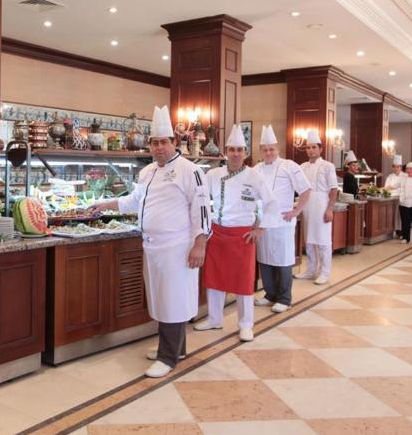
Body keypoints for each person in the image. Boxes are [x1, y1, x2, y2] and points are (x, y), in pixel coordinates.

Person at [92, 105, 210, 378]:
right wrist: (105, 204)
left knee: (173, 299)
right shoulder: (147, 172)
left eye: (163, 142)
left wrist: (200, 244)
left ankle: (168, 358)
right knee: (160, 298)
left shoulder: (190, 170)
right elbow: (135, 200)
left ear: (174, 142)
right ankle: (176, 348)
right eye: (154, 143)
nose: (159, 148)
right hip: (151, 245)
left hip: (177, 246)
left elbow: (202, 209)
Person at [195, 124, 275, 342]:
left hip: (242, 235)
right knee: (214, 278)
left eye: (240, 150)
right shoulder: (213, 174)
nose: (236, 154)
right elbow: (200, 198)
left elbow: (271, 203)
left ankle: (246, 325)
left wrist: (261, 228)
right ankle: (214, 319)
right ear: (225, 152)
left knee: (243, 282)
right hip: (217, 232)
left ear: (245, 153)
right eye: (232, 150)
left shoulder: (254, 176)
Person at [253, 125, 311, 313]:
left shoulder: (289, 166)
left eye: (271, 149)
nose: (268, 153)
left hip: (282, 222)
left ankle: (285, 299)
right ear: (261, 151)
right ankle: (270, 294)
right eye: (265, 150)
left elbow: (306, 190)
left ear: (277, 149)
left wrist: (296, 211)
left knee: (283, 260)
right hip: (263, 223)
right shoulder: (256, 169)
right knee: (265, 259)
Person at [296, 129, 339, 285]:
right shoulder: (302, 166)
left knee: (322, 240)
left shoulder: (328, 166)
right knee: (309, 240)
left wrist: (330, 209)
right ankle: (310, 270)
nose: (310, 150)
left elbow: (333, 189)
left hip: (321, 205)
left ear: (320, 149)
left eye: (314, 147)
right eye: (308, 147)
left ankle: (324, 272)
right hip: (307, 205)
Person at [385, 155, 407, 240]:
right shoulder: (390, 176)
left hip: (402, 199)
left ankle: (402, 232)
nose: (396, 168)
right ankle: (396, 232)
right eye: (394, 167)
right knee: (393, 216)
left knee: (401, 217)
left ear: (400, 167)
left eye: (398, 167)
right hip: (392, 199)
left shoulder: (405, 176)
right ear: (392, 167)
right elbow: (386, 187)